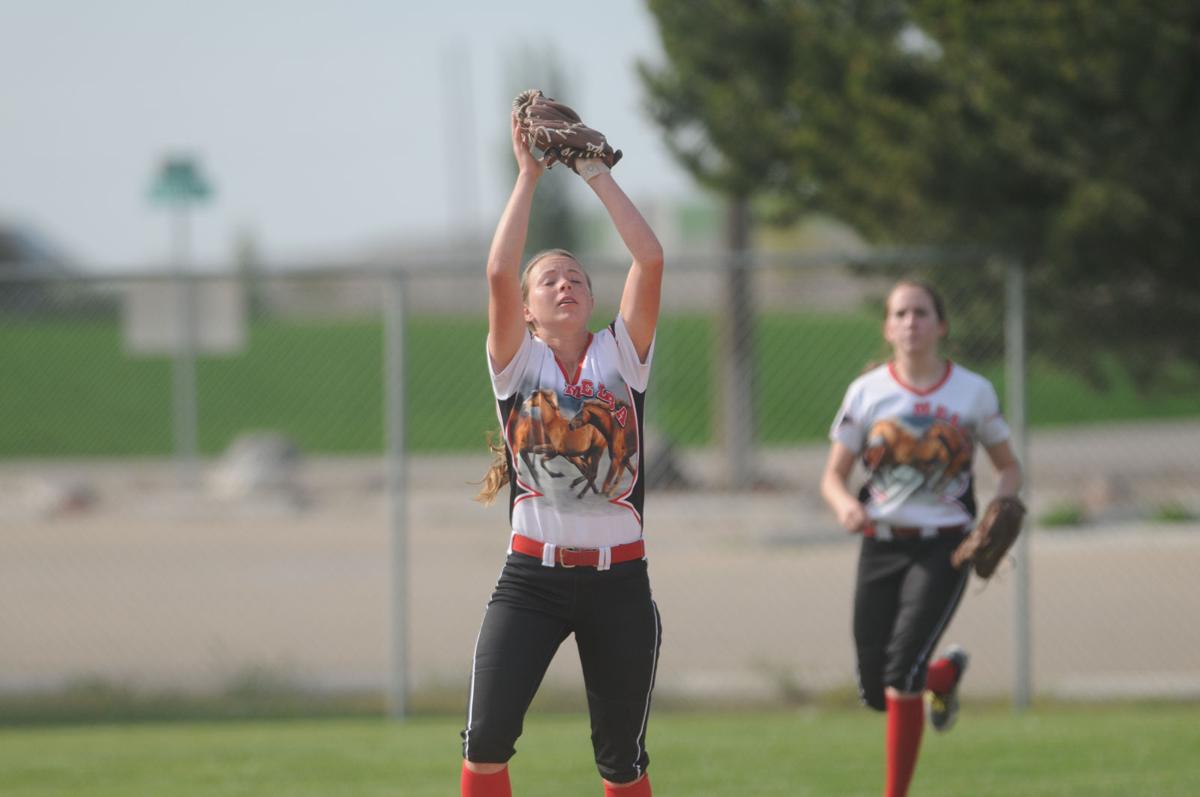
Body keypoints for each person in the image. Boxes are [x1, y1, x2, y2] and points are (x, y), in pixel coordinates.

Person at [460, 110, 665, 797]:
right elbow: (497, 270)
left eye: (574, 277)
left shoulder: (621, 356)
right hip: (532, 580)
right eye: (547, 281)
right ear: (527, 310)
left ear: (592, 297)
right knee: (486, 740)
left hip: (620, 584)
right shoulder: (519, 367)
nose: (564, 284)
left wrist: (594, 174)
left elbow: (651, 258)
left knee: (622, 761)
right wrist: (527, 176)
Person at [819, 279, 1023, 797]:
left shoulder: (972, 391)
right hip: (881, 543)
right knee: (874, 687)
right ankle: (944, 675)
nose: (912, 322)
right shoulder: (867, 392)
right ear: (888, 327)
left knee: (901, 671)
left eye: (922, 313)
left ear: (941, 324)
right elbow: (833, 477)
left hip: (946, 546)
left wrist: (997, 510)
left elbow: (1008, 468)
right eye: (901, 314)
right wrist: (845, 507)